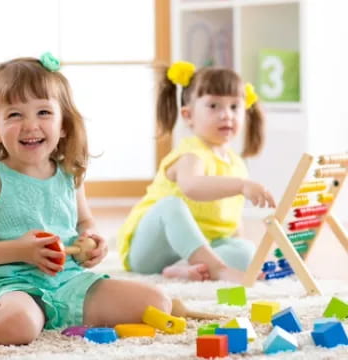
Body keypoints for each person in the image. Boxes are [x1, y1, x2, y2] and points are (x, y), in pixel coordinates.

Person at [0, 53, 171, 345]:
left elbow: (84, 220)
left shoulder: (69, 172)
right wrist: (21, 250)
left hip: (69, 281)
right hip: (14, 286)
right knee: (17, 328)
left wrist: (91, 240)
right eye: (15, 115)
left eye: (43, 112)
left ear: (64, 124)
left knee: (157, 302)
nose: (31, 125)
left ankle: (53, 313)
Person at [118, 61, 276, 283]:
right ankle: (215, 269)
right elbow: (192, 187)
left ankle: (186, 269)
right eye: (214, 106)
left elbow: (233, 221)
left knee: (246, 251)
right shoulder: (192, 152)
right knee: (170, 205)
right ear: (188, 115)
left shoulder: (236, 164)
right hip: (151, 250)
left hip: (199, 249)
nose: (226, 115)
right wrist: (241, 186)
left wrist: (240, 249)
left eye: (234, 107)